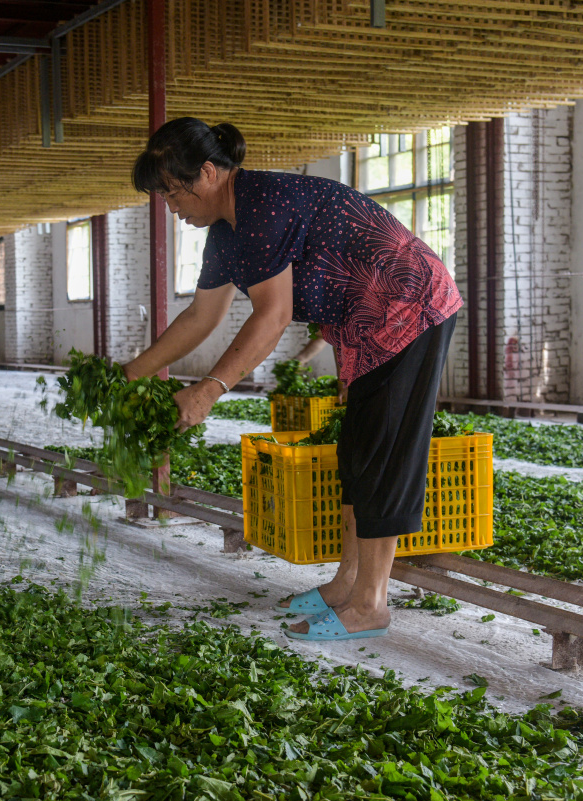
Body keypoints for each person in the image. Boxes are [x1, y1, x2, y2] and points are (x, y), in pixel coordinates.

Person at [121, 117, 461, 642]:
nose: (171, 206)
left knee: (382, 452)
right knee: (355, 452)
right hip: (361, 321)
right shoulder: (227, 233)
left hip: (408, 305)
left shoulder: (261, 205)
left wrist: (209, 391)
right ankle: (346, 584)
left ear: (208, 173)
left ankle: (371, 605)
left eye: (171, 192)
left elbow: (272, 317)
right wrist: (128, 374)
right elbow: (201, 316)